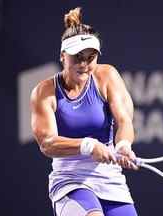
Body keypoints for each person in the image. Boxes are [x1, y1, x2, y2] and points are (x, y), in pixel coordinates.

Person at [30, 7, 138, 216]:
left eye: (90, 57)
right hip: (70, 181)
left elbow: (124, 121)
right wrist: (88, 145)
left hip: (110, 180)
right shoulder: (44, 92)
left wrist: (124, 145)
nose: (84, 64)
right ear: (63, 56)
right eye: (77, 57)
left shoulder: (107, 75)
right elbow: (47, 144)